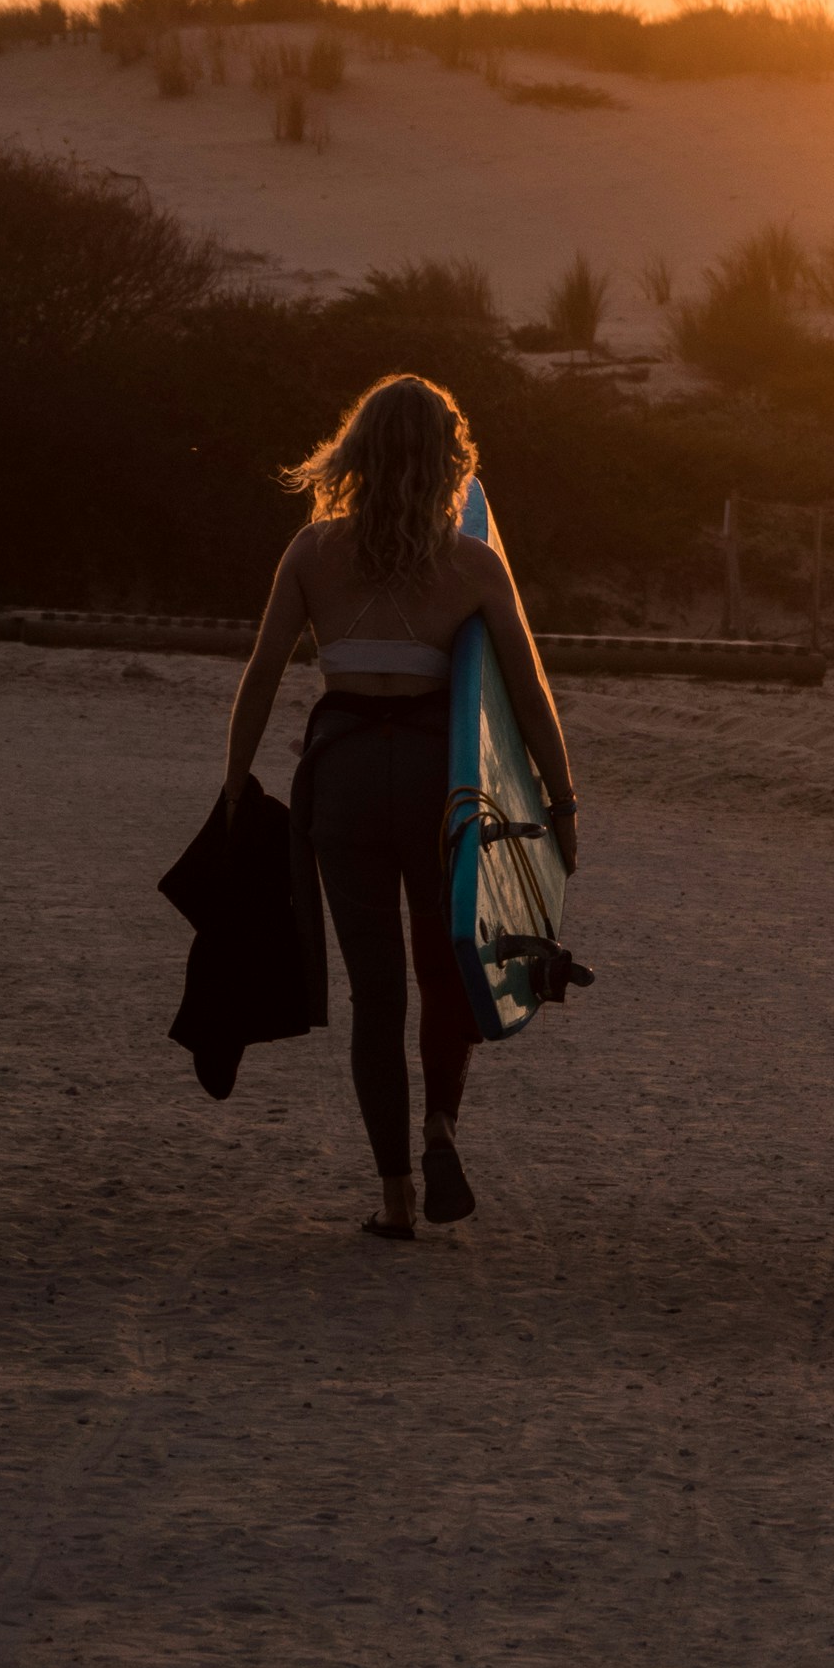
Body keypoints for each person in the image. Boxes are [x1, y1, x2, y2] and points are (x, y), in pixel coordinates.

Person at [221, 374, 577, 1240]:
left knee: (376, 994)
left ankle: (393, 1200)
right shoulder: (473, 565)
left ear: (356, 452)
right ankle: (439, 1129)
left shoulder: (311, 552)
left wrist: (235, 782)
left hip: (341, 782)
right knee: (447, 964)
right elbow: (526, 694)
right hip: (434, 782)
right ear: (448, 458)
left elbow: (262, 671)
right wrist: (561, 800)